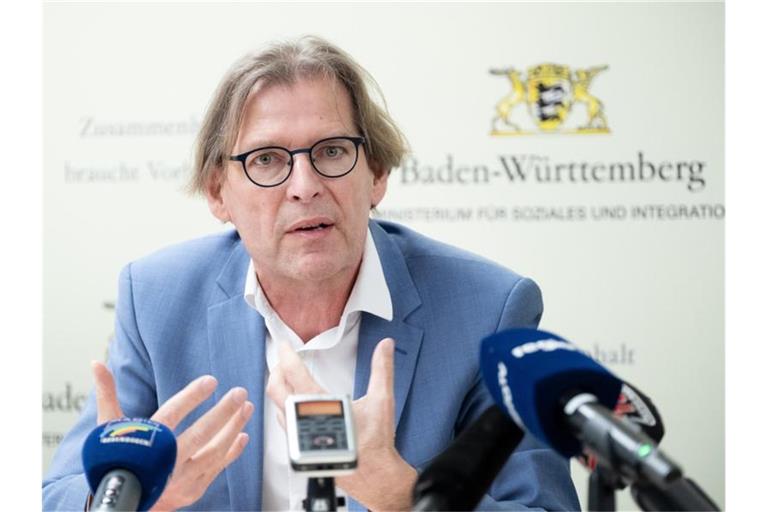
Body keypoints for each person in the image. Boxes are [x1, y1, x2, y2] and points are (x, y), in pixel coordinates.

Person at [43, 36, 581, 511]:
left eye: (331, 151)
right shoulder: (157, 298)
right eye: (268, 160)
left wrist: (401, 495)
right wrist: (132, 494)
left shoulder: (488, 310)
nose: (304, 185)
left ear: (376, 175)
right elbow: (57, 497)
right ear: (217, 192)